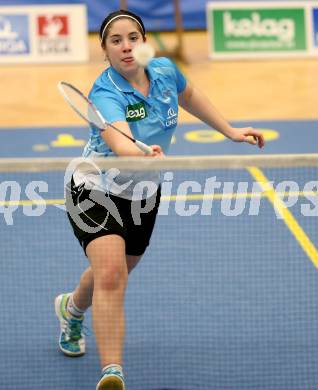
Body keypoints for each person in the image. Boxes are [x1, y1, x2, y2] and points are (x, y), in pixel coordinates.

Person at [54, 9, 265, 390]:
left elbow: (191, 95)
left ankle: (71, 309)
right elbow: (119, 142)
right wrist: (141, 155)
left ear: (145, 41)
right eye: (115, 41)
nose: (126, 47)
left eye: (133, 37)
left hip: (142, 194)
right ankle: (112, 372)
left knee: (113, 272)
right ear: (104, 50)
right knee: (112, 274)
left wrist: (230, 131)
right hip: (94, 187)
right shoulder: (107, 91)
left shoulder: (165, 70)